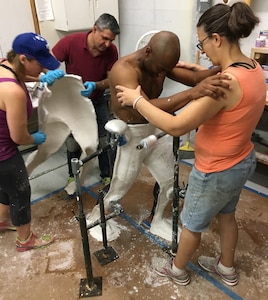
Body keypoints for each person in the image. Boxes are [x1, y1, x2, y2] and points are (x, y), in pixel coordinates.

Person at [116, 2, 266, 286]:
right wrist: (195, 70)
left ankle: (177, 270)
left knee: (192, 224)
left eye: (202, 43)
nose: (202, 50)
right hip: (242, 159)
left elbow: (176, 125)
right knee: (226, 214)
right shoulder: (253, 67)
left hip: (215, 169)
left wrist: (137, 100)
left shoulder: (226, 83)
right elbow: (208, 76)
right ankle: (226, 267)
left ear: (217, 39)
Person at [88, 30, 231, 241]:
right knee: (120, 185)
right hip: (133, 132)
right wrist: (193, 93)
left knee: (169, 182)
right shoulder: (124, 70)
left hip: (155, 128)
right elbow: (144, 106)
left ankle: (157, 220)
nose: (162, 73)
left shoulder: (159, 63)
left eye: (166, 69)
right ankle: (96, 218)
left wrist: (228, 65)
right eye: (161, 68)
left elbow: (194, 78)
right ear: (148, 52)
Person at [0, 32, 61, 251]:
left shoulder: (4, 66)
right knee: (20, 191)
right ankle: (25, 240)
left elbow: (21, 75)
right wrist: (33, 138)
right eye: (40, 64)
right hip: (3, 151)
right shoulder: (13, 91)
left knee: (5, 187)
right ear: (24, 59)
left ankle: (2, 221)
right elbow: (18, 137)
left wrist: (39, 78)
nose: (43, 68)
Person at [51, 13, 120, 191]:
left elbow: (111, 80)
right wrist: (51, 75)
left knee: (104, 138)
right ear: (94, 29)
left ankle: (107, 175)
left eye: (110, 40)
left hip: (96, 100)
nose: (107, 44)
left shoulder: (111, 51)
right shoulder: (70, 42)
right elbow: (48, 63)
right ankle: (72, 177)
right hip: (73, 104)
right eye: (104, 38)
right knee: (73, 142)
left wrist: (96, 85)